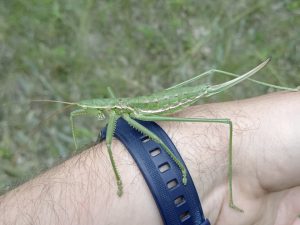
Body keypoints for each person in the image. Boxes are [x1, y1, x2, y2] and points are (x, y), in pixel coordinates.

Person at [0, 92, 299, 225]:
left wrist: (182, 167)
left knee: (223, 123)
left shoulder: (119, 114)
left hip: (158, 105)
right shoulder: (106, 113)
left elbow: (153, 139)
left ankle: (190, 173)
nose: (85, 111)